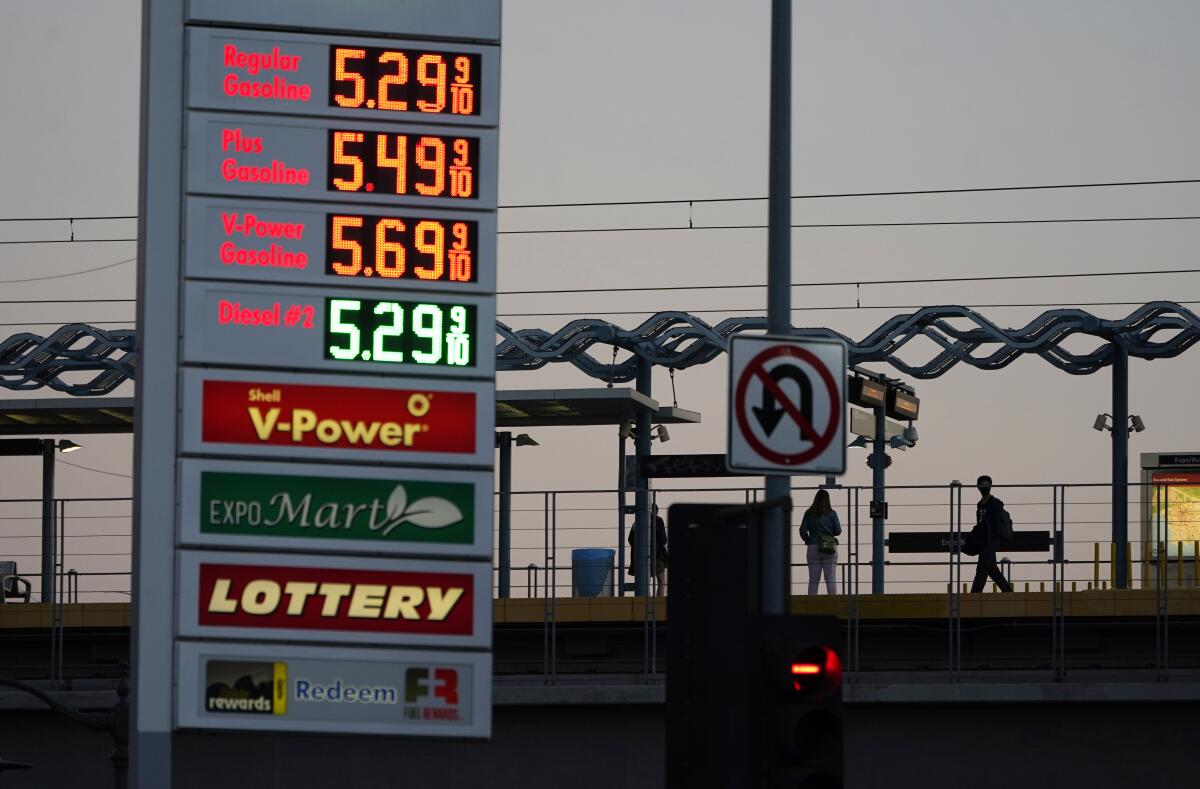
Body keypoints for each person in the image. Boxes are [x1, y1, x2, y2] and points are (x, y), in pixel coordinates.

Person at [968, 474, 1013, 593]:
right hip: (983, 540)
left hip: (991, 540)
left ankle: (974, 596)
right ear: (978, 487)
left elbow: (996, 524)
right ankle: (1008, 592)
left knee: (982, 569)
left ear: (991, 486)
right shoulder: (979, 504)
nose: (984, 486)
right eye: (982, 484)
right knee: (992, 570)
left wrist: (992, 538)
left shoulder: (995, 504)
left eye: (987, 484)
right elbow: (980, 523)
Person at [799, 489, 842, 595]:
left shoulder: (808, 513)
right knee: (830, 578)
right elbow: (838, 531)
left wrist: (808, 540)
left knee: (813, 579)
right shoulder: (832, 513)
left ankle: (810, 604)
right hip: (829, 546)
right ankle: (833, 604)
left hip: (813, 546)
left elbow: (802, 531)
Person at [628, 504, 668, 595]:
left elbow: (631, 540)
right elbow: (663, 540)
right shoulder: (658, 521)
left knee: (645, 582)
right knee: (661, 581)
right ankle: (658, 602)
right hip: (657, 555)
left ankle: (647, 602)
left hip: (642, 556)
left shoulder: (637, 522)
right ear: (656, 512)